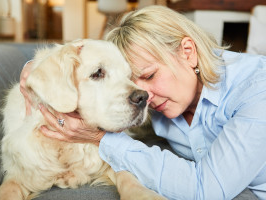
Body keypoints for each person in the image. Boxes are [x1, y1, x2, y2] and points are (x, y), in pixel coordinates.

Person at [20, 5, 266, 200]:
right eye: (131, 80)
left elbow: (207, 188)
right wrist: (39, 69)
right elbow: (86, 65)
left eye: (149, 75)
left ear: (188, 52)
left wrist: (99, 138)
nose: (143, 94)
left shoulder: (257, 90)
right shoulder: (165, 99)